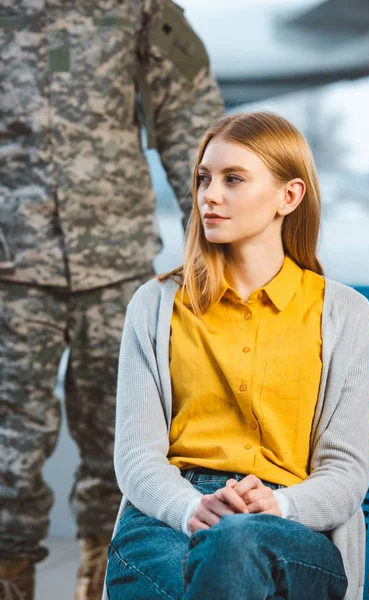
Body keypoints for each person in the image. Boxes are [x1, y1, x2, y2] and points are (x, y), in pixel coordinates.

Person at [104, 111, 369, 600]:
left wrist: (278, 504)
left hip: (293, 525)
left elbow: (345, 472)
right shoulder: (154, 306)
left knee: (235, 548)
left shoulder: (345, 315)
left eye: (233, 179)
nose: (209, 195)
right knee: (216, 566)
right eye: (204, 179)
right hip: (168, 517)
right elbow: (136, 456)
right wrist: (191, 508)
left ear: (288, 197)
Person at [0, 1, 224, 599]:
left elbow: (189, 116)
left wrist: (212, 235)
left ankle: (105, 580)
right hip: (10, 261)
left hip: (115, 256)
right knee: (7, 448)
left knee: (127, 439)